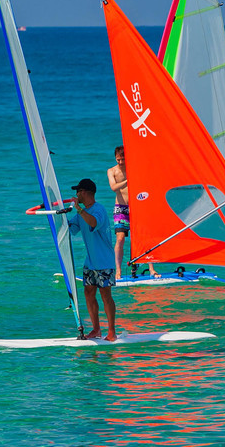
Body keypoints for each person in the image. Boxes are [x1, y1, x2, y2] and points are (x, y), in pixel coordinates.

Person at [66, 178, 117, 341]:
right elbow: (69, 229)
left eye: (78, 191)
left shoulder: (98, 210)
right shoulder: (81, 213)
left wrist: (79, 209)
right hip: (90, 262)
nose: (76, 195)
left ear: (85, 192)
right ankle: (96, 330)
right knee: (88, 293)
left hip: (104, 261)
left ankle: (111, 332)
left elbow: (93, 222)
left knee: (105, 295)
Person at [107, 146, 155, 279]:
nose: (121, 162)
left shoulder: (134, 168)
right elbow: (113, 187)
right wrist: (129, 180)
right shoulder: (112, 171)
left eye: (123, 159)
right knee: (120, 238)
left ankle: (151, 268)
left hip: (137, 207)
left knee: (144, 238)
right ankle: (118, 271)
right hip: (121, 208)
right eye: (118, 159)